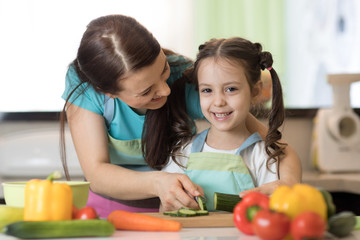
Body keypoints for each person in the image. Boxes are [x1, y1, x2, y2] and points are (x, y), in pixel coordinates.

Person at [60, 14, 301, 218]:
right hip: (111, 211)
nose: (165, 90)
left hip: (181, 213)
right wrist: (159, 182)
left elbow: (277, 147)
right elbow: (97, 173)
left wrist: (288, 185)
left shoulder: (184, 76)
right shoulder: (84, 86)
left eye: (163, 70)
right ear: (107, 92)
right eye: (146, 91)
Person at [159, 37, 299, 209]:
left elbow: (272, 216)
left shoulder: (264, 157)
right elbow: (165, 209)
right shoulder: (182, 153)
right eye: (207, 90)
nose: (218, 102)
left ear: (255, 91)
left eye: (231, 89)